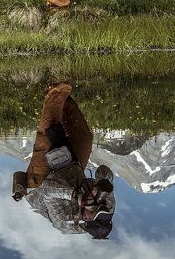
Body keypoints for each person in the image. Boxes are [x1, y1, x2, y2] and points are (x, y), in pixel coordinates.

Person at [11, 82, 115, 238]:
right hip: (73, 172)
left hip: (41, 184)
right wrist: (102, 185)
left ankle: (56, 89)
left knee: (49, 132)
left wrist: (76, 196)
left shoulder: (65, 223)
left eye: (95, 212)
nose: (98, 207)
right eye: (103, 210)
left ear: (86, 220)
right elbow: (103, 170)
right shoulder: (107, 206)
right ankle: (64, 98)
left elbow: (47, 190)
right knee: (84, 138)